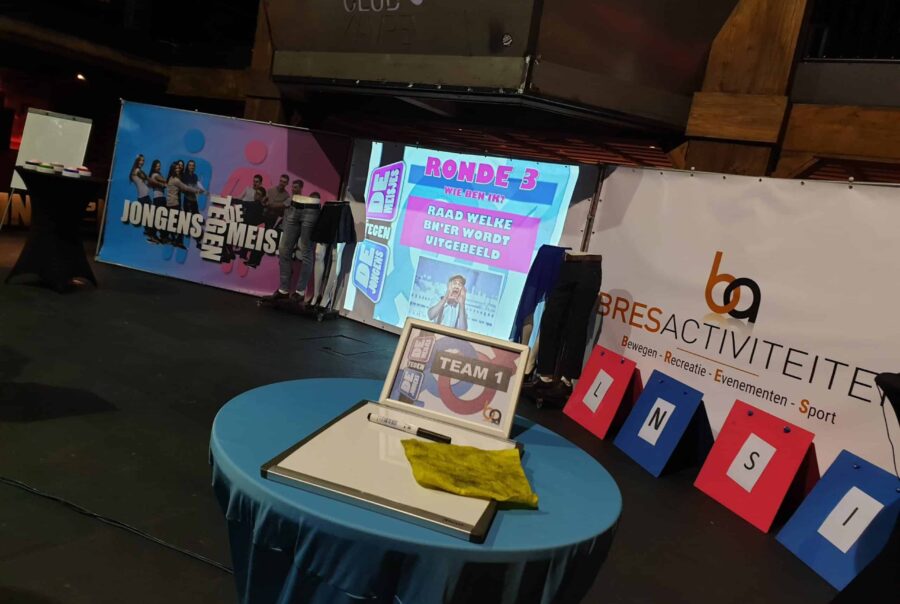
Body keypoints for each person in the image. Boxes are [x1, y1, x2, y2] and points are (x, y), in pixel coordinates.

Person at [264, 179, 319, 303]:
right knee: (284, 249)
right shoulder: (290, 197)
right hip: (295, 206)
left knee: (306, 251)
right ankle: (283, 290)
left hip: (311, 209)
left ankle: (300, 292)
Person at [165, 161, 203, 249]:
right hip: (176, 203)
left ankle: (177, 240)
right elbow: (185, 188)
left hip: (174, 203)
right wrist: (196, 191)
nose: (178, 169)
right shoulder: (177, 179)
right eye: (176, 168)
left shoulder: (171, 178)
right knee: (183, 222)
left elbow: (183, 188)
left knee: (180, 223)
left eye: (179, 168)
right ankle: (180, 240)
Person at [129, 154, 156, 242]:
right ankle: (151, 236)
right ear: (137, 161)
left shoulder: (137, 171)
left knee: (148, 218)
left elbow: (144, 183)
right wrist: (161, 183)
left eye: (143, 160)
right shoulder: (137, 171)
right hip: (144, 198)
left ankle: (149, 234)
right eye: (140, 160)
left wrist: (150, 185)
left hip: (144, 197)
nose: (142, 162)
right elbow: (148, 179)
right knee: (150, 218)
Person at [147, 159, 168, 243]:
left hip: (158, 198)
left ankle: (155, 235)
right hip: (159, 199)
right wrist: (164, 184)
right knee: (161, 217)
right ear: (154, 167)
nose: (159, 167)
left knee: (159, 217)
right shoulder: (155, 175)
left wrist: (163, 185)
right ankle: (159, 236)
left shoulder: (155, 175)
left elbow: (164, 184)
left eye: (159, 166)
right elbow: (165, 182)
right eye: (157, 166)